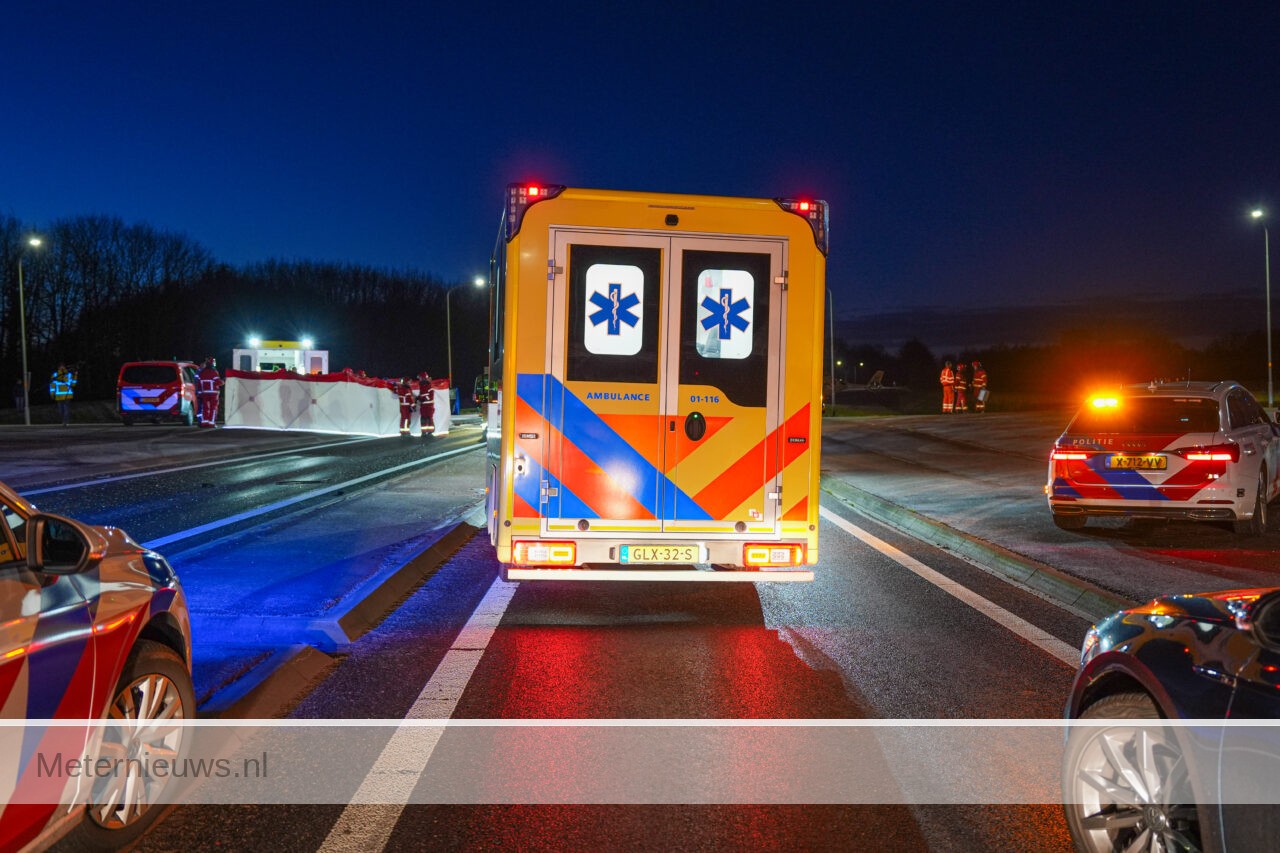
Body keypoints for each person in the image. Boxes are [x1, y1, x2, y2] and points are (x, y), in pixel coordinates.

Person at [197, 357, 223, 427]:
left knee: (205, 408)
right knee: (213, 408)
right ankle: (211, 423)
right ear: (212, 363)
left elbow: (199, 383)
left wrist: (199, 393)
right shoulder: (214, 372)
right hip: (213, 393)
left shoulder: (202, 372)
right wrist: (223, 382)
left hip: (204, 393)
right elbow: (218, 382)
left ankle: (204, 422)